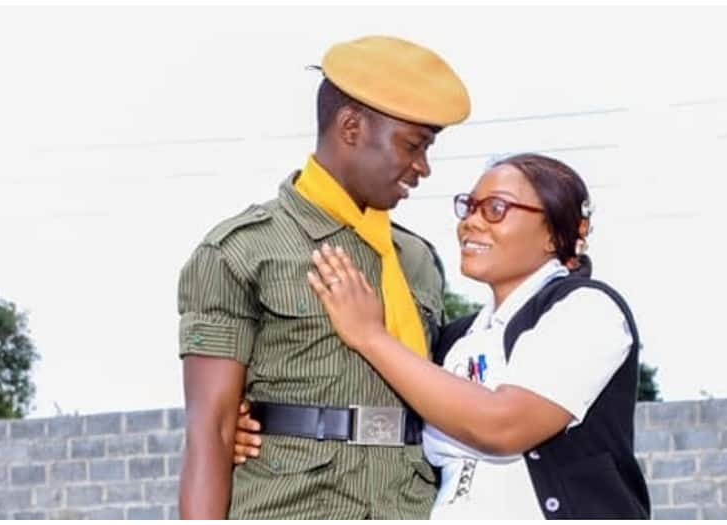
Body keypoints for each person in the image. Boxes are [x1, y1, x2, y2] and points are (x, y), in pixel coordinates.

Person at [233, 153, 652, 519]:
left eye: (496, 209)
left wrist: (370, 336)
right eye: (469, 207)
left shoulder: (588, 311)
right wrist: (261, 428)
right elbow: (393, 421)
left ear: (555, 233)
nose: (470, 223)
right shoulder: (456, 341)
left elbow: (502, 425)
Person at [176, 35, 470, 519]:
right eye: (413, 145)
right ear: (351, 127)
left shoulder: (417, 260)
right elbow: (212, 429)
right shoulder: (241, 250)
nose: (423, 167)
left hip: (408, 507)